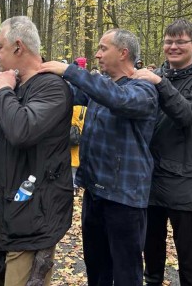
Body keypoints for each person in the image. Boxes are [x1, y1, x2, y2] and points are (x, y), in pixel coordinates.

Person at [40, 28, 159, 286]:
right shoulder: (101, 87)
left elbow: (119, 100)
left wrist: (70, 71)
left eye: (103, 48)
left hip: (124, 198)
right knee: (97, 268)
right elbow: (67, 95)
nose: (97, 54)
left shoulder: (143, 89)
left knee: (126, 272)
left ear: (123, 53)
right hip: (94, 193)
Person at [0, 16, 73, 286]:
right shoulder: (20, 86)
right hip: (13, 212)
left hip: (34, 215)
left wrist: (2, 91)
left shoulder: (52, 87)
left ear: (18, 47)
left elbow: (21, 130)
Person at [132, 19, 192, 286]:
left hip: (186, 179)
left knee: (188, 253)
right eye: (169, 41)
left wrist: (158, 82)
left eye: (180, 41)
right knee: (151, 248)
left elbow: (188, 114)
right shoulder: (156, 74)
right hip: (151, 178)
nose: (173, 46)